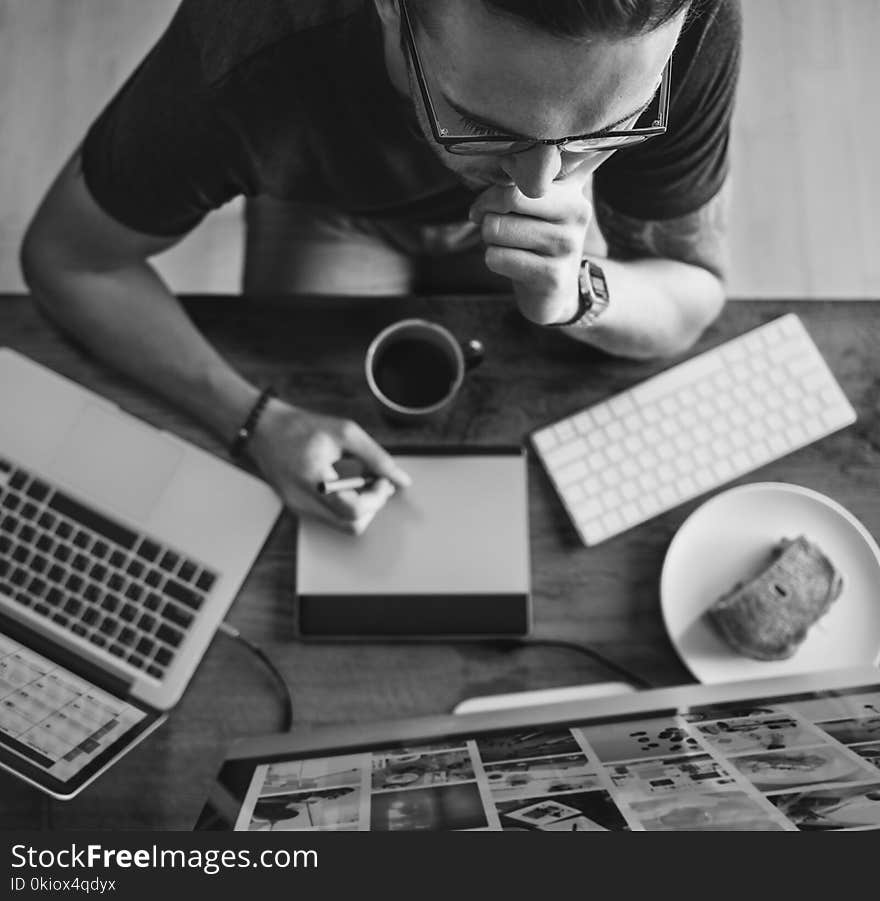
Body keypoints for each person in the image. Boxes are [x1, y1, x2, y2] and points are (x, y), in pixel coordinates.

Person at [20, 0, 741, 533]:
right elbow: (68, 261)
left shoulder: (691, 22)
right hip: (331, 208)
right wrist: (255, 422)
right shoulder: (242, 47)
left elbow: (695, 294)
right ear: (391, 11)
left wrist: (583, 289)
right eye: (483, 125)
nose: (537, 188)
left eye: (611, 127)